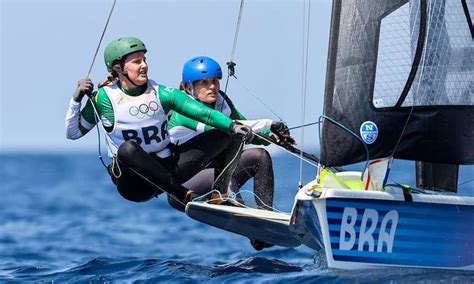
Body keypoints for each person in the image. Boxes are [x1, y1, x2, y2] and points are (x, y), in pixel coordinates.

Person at [65, 37, 253, 207]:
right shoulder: (104, 99)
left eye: (145, 60)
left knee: (228, 132)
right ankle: (185, 196)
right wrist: (76, 99)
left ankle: (219, 194)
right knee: (128, 149)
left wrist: (233, 126)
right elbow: (73, 133)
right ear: (118, 67)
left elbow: (205, 114)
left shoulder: (162, 93)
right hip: (135, 185)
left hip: (168, 170)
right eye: (137, 61)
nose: (144, 65)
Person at [168, 56, 292, 214]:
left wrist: (274, 138)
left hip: (219, 173)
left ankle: (266, 214)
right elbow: (225, 128)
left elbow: (247, 131)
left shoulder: (222, 101)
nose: (212, 87)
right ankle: (232, 202)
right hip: (183, 185)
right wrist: (270, 123)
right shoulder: (184, 109)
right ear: (188, 87)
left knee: (260, 156)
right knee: (229, 134)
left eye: (215, 81)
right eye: (204, 83)